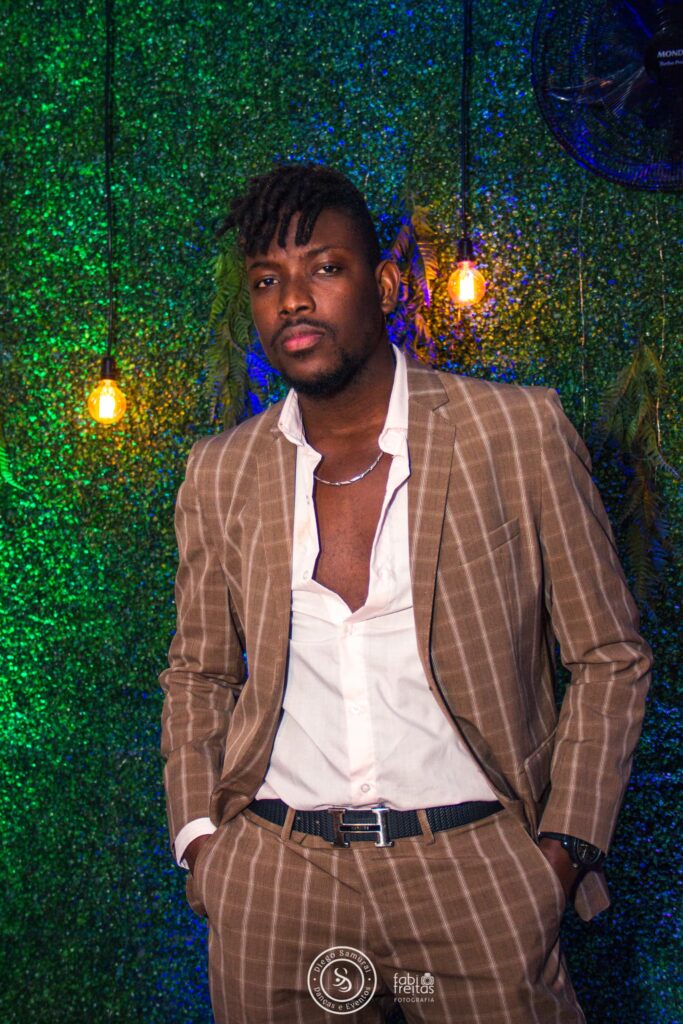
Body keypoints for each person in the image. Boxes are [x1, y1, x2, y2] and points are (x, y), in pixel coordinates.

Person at [160, 164, 652, 1024]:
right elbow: (198, 672)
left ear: (385, 285)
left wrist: (563, 848)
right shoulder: (220, 471)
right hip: (276, 881)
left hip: (473, 874)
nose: (293, 300)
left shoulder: (515, 431)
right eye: (267, 281)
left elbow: (608, 654)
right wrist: (201, 842)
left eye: (324, 268)